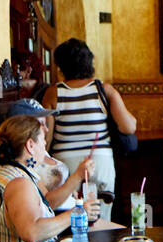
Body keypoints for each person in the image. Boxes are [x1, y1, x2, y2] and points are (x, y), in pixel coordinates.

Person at [44, 39, 137, 222]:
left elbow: (45, 139)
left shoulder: (54, 93)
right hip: (99, 163)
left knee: (70, 217)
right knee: (102, 219)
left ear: (61, 65)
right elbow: (128, 127)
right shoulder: (103, 90)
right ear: (89, 61)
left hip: (65, 166)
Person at [0, 115, 99, 242]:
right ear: (30, 145)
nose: (45, 143)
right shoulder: (19, 183)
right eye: (42, 139)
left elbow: (47, 201)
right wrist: (77, 214)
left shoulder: (9, 172)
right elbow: (32, 232)